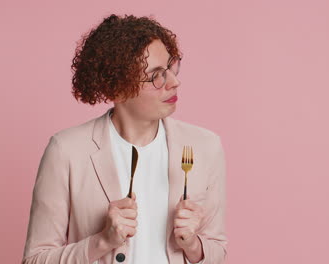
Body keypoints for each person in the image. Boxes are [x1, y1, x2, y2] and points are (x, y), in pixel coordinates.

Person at [22, 14, 228, 264]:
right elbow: (35, 259)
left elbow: (219, 253)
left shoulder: (205, 147)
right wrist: (102, 241)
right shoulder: (66, 151)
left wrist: (193, 245)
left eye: (171, 67)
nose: (174, 82)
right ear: (117, 89)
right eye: (156, 75)